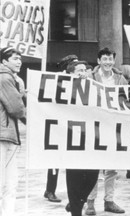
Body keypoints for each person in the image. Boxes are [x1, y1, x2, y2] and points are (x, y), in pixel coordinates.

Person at [85, 48, 126, 215]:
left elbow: (126, 99)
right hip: (94, 126)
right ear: (99, 60)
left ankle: (109, 200)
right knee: (94, 165)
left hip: (113, 126)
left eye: (111, 59)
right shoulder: (90, 77)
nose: (108, 62)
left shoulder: (120, 79)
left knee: (112, 167)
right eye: (105, 59)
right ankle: (90, 202)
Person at [64, 60, 99, 216]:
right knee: (74, 177)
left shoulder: (92, 88)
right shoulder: (63, 89)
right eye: (79, 70)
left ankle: (77, 201)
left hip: (89, 137)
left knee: (92, 174)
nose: (83, 73)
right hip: (71, 138)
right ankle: (76, 211)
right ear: (71, 73)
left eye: (85, 70)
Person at [44, 54, 79, 203]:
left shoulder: (80, 79)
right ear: (67, 66)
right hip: (58, 123)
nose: (78, 66)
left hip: (73, 124)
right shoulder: (57, 79)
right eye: (75, 64)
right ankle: (50, 190)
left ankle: (74, 192)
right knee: (55, 159)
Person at [0, 47, 26, 216]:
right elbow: (16, 108)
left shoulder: (10, 78)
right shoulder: (5, 78)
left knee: (9, 183)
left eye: (20, 58)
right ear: (4, 62)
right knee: (7, 183)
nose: (19, 61)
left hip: (7, 134)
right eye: (15, 58)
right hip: (4, 135)